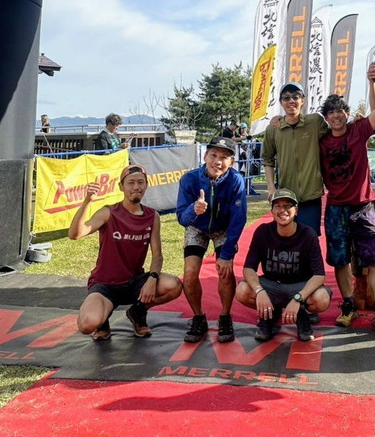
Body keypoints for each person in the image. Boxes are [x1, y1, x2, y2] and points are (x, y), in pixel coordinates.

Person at [319, 62, 375, 337]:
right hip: (335, 207)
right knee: (340, 260)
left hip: (363, 206)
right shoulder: (321, 140)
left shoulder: (359, 130)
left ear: (347, 113)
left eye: (340, 111)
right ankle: (349, 305)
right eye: (331, 112)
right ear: (326, 117)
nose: (336, 116)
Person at [68, 165, 182, 341]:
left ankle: (137, 312)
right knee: (87, 324)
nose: (136, 187)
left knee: (174, 285)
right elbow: (75, 234)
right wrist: (87, 201)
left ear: (146, 185)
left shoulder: (152, 216)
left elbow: (157, 255)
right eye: (130, 183)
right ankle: (103, 320)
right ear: (121, 187)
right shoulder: (108, 212)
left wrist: (152, 279)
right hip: (105, 284)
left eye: (140, 182)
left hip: (135, 282)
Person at [176, 136, 247, 344]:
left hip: (223, 228)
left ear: (231, 162)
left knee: (225, 271)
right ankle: (198, 317)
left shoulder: (236, 180)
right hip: (197, 227)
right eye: (213, 155)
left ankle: (225, 316)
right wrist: (194, 209)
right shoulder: (189, 179)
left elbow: (239, 218)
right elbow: (182, 218)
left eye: (224, 157)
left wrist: (227, 254)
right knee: (190, 273)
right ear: (205, 156)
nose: (218, 161)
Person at [236, 188, 332, 342]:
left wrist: (298, 299)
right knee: (242, 290)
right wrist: (260, 291)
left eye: (288, 206)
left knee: (322, 298)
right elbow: (249, 268)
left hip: (299, 286)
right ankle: (270, 315)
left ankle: (301, 315)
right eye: (278, 206)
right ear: (272, 211)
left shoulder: (308, 234)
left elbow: (319, 275)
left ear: (296, 210)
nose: (283, 210)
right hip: (271, 285)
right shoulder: (263, 231)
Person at [262, 82, 328, 236]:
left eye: (295, 97)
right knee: (286, 238)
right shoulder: (273, 129)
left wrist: (354, 120)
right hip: (286, 196)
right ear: (281, 102)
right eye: (286, 98)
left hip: (311, 194)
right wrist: (271, 187)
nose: (291, 101)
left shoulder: (315, 122)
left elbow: (337, 131)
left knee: (310, 238)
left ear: (303, 100)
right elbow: (267, 159)